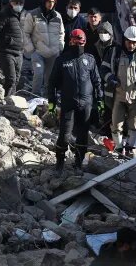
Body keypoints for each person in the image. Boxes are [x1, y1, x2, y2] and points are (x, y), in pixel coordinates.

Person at [46, 29, 103, 172]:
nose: (78, 45)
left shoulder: (90, 59)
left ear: (84, 42)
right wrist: (52, 104)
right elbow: (52, 83)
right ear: (70, 41)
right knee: (64, 135)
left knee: (83, 136)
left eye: (81, 42)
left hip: (86, 105)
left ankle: (78, 163)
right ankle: (59, 162)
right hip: (68, 104)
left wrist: (100, 101)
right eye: (75, 41)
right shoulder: (62, 60)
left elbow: (97, 82)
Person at [101, 26, 136, 155]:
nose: (131, 45)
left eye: (134, 42)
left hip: (135, 97)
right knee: (116, 125)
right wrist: (110, 78)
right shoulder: (114, 53)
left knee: (134, 125)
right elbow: (103, 69)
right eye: (129, 41)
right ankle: (118, 148)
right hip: (118, 95)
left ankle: (129, 148)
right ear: (124, 40)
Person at [23, 0, 64, 96]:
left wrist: (60, 46)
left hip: (53, 54)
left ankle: (47, 100)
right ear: (44, 1)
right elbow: (25, 33)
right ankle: (34, 96)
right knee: (38, 74)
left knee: (49, 79)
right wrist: (31, 49)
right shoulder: (32, 15)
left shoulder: (58, 16)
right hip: (38, 52)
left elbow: (61, 33)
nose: (51, 4)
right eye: (49, 1)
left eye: (53, 2)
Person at [0, 0, 25, 97]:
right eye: (16, 3)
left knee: (16, 80)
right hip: (7, 53)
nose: (18, 5)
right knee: (11, 79)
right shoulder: (4, 14)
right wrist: (4, 42)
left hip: (19, 53)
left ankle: (10, 101)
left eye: (20, 3)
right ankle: (5, 101)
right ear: (11, 2)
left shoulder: (21, 15)